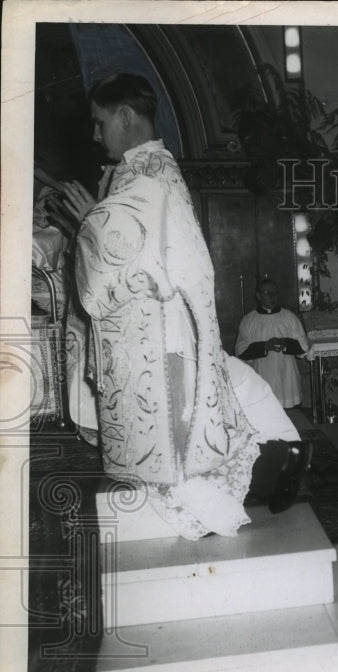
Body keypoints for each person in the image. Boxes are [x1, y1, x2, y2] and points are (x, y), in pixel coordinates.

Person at [67, 73, 301, 537]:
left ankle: (232, 497)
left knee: (177, 434)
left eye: (100, 122)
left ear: (125, 116)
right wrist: (98, 218)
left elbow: (128, 254)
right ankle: (274, 461)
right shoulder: (144, 169)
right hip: (154, 327)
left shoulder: (150, 171)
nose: (95, 134)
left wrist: (89, 224)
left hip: (161, 332)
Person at [236, 279, 310, 408]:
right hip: (263, 376)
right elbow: (241, 351)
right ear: (258, 296)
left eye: (274, 292)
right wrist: (264, 346)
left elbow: (303, 347)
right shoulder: (249, 320)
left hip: (288, 378)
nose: (271, 296)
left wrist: (285, 342)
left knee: (293, 418)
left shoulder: (289, 317)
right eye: (266, 292)